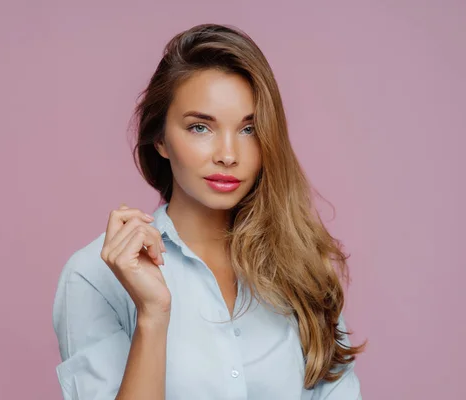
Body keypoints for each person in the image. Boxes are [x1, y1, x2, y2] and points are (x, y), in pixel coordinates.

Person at [52, 23, 366, 399]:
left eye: (249, 129)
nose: (228, 155)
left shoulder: (300, 265)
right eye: (200, 127)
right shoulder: (93, 277)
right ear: (160, 139)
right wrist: (152, 317)